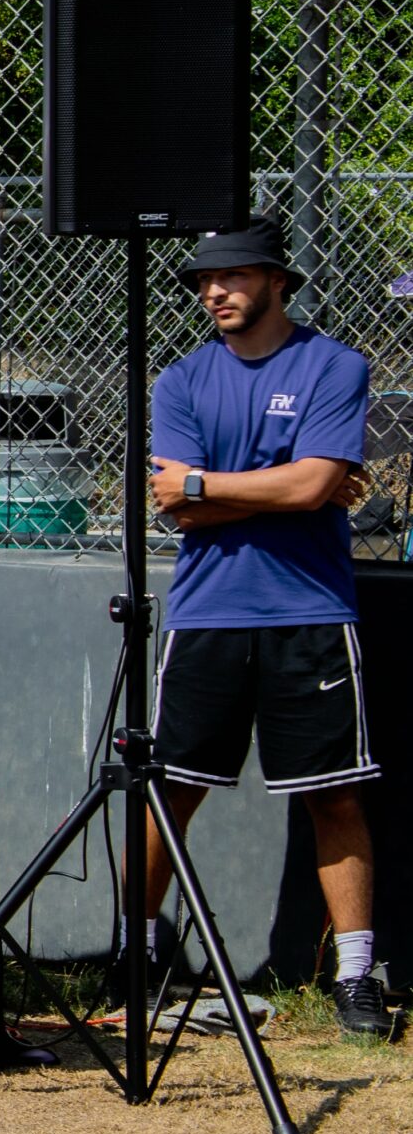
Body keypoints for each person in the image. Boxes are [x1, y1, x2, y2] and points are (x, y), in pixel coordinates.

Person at [143, 218, 389, 1037]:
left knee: (335, 797)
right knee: (170, 787)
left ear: (279, 280)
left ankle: (356, 976)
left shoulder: (334, 365)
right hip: (206, 613)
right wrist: (276, 483)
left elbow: (313, 488)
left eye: (234, 275)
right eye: (205, 280)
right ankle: (139, 954)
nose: (215, 291)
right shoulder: (179, 380)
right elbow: (172, 500)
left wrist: (214, 484)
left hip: (310, 612)